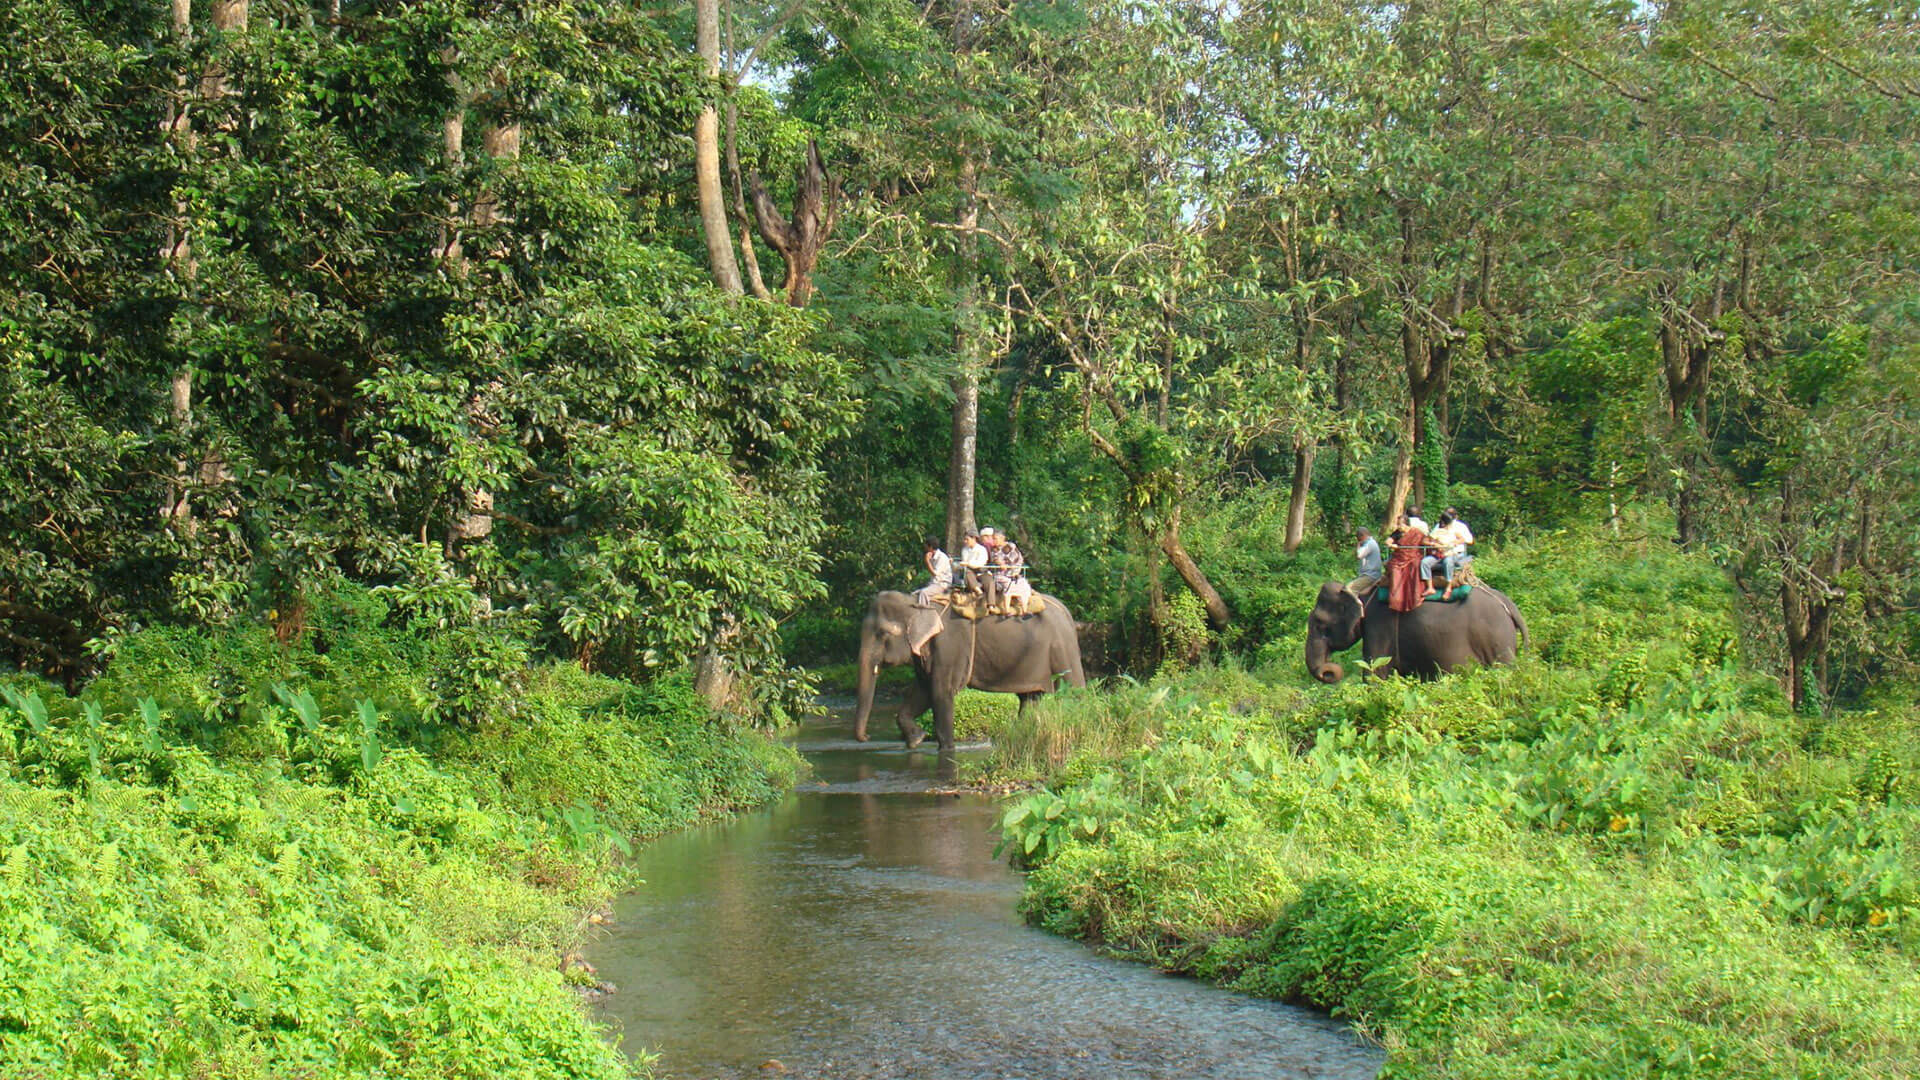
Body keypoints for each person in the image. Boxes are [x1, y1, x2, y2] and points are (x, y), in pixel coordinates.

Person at [1385, 515, 1429, 613]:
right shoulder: (1397, 532)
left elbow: (1425, 542)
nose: (1398, 526)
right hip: (1399, 557)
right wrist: (1392, 545)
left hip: (1413, 556)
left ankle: (1414, 595)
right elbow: (1388, 541)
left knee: (1415, 565)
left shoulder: (1416, 533)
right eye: (1398, 524)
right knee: (1393, 567)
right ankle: (1397, 599)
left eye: (1400, 524)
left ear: (1406, 524)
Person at [982, 527, 1027, 614]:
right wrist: (998, 563)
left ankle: (1023, 609)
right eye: (993, 538)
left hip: (1011, 572)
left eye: (995, 538)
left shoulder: (1010, 546)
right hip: (998, 574)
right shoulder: (994, 549)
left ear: (1002, 538)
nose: (994, 541)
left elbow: (1014, 560)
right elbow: (994, 560)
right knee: (999, 582)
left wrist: (1003, 564)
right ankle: (1002, 608)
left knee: (1019, 586)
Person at [1432, 508, 1475, 600]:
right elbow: (1431, 538)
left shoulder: (1459, 527)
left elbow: (1468, 540)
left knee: (1448, 561)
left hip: (1455, 553)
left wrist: (1455, 542)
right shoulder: (1439, 526)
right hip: (1440, 552)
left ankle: (1448, 587)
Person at [957, 530, 994, 609]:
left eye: (967, 539)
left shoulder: (982, 549)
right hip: (970, 572)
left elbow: (980, 563)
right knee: (967, 573)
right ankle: (978, 591)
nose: (965, 541)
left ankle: (991, 604)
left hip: (982, 571)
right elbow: (965, 562)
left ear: (974, 539)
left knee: (990, 581)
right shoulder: (964, 550)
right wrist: (967, 564)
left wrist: (969, 563)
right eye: (965, 539)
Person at [913, 537, 952, 608]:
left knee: (924, 593)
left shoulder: (942, 557)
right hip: (933, 583)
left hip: (942, 584)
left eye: (926, 547)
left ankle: (924, 612)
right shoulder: (932, 556)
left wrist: (927, 561)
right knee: (914, 594)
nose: (925, 549)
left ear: (930, 547)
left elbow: (935, 573)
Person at [1348, 527, 1383, 597]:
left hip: (1370, 576)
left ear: (1363, 536)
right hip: (1369, 574)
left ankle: (1355, 607)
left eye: (1359, 539)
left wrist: (1358, 546)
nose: (1359, 541)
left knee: (1349, 589)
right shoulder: (1370, 543)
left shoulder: (1369, 544)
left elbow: (1359, 555)